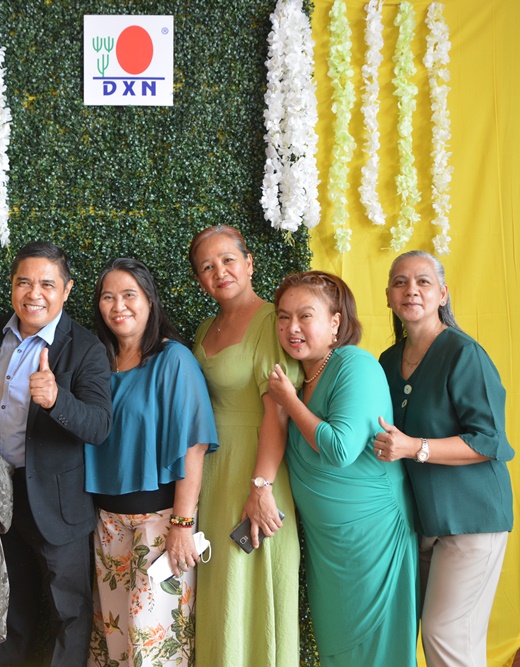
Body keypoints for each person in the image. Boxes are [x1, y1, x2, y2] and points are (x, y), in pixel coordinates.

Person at [267, 270, 418, 666]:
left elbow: (340, 449)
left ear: (335, 323)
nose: (292, 327)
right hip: (327, 547)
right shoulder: (299, 375)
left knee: (376, 652)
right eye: (283, 317)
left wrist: (288, 401)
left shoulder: (354, 364)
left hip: (371, 538)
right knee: (338, 650)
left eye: (305, 316)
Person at [373, 251, 514, 667]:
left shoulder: (464, 353)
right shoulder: (387, 361)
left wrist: (415, 447)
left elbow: (489, 441)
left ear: (443, 294)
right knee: (419, 630)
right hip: (421, 522)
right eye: (400, 282)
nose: (411, 290)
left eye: (423, 281)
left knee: (447, 633)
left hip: (472, 518)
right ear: (388, 296)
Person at [0, 241, 113, 666]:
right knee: (8, 608)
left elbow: (99, 426)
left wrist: (57, 400)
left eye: (47, 284)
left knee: (68, 612)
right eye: (24, 282)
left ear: (67, 290)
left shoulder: (86, 348)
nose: (34, 294)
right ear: (12, 285)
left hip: (57, 502)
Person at [85, 258, 219, 666]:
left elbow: (194, 444)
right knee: (116, 645)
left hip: (159, 524)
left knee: (153, 647)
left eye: (129, 295)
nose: (118, 306)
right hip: (107, 522)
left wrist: (182, 523)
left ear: (149, 300)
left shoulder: (173, 360)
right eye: (108, 297)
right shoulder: (97, 363)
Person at [187, 225, 303, 666]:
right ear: (200, 279)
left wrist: (261, 486)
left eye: (228, 260)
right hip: (213, 474)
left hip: (255, 470)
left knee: (251, 584)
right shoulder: (205, 327)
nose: (220, 271)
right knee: (221, 590)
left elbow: (278, 412)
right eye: (207, 266)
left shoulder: (272, 321)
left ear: (249, 263)